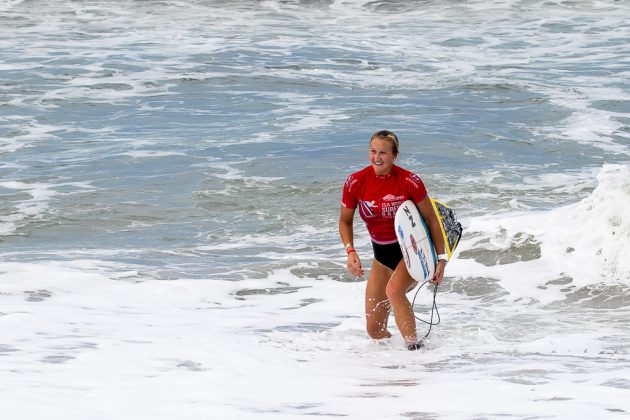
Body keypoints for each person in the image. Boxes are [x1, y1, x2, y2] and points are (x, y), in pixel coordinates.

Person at [338, 130, 448, 351]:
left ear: (394, 155)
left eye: (383, 153)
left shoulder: (409, 181)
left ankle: (414, 351)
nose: (377, 157)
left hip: (411, 253)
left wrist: (441, 259)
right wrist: (350, 251)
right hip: (381, 258)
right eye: (373, 151)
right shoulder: (355, 182)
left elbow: (432, 220)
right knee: (375, 331)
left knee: (394, 291)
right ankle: (390, 361)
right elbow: (345, 222)